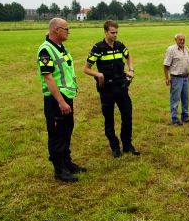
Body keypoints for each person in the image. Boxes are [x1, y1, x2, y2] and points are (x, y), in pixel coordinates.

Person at [37, 18, 85, 183]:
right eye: (66, 29)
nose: (68, 31)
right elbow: (48, 78)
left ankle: (66, 162)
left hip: (66, 97)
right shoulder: (45, 50)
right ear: (56, 30)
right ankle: (59, 170)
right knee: (57, 134)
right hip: (56, 99)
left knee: (66, 130)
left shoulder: (61, 48)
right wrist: (60, 101)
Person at [84, 20, 140, 158]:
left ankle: (127, 145)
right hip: (106, 89)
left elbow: (128, 56)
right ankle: (115, 147)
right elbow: (86, 68)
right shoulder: (98, 48)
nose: (115, 35)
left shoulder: (120, 45)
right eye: (112, 32)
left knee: (127, 116)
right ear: (105, 32)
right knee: (109, 120)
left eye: (116, 32)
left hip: (121, 87)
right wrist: (98, 75)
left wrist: (131, 69)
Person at [163, 33, 189, 125]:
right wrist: (167, 78)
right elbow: (166, 65)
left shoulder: (186, 49)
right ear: (175, 40)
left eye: (183, 39)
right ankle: (174, 119)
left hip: (186, 77)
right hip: (176, 78)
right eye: (180, 40)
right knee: (175, 99)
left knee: (185, 98)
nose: (182, 41)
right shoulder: (171, 49)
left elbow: (188, 62)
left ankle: (185, 117)